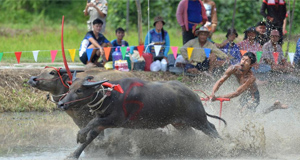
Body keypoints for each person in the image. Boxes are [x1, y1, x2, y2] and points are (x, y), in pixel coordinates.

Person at [209, 52, 288, 113]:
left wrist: (217, 97)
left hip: (253, 96)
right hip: (245, 94)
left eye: (247, 61)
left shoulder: (251, 78)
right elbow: (220, 81)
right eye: (243, 59)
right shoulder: (233, 68)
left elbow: (237, 93)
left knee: (248, 115)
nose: (243, 62)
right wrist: (213, 93)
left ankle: (273, 107)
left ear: (251, 65)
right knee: (238, 113)